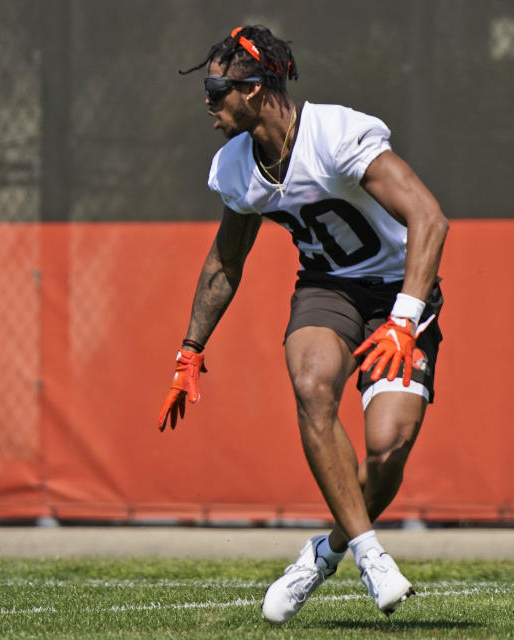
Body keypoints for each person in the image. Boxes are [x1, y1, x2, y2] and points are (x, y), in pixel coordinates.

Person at [158, 25, 449, 622]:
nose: (208, 103)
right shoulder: (238, 166)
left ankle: (327, 552)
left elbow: (429, 218)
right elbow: (226, 263)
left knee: (388, 448)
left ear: (257, 88)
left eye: (217, 89)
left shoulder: (337, 135)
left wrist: (403, 320)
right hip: (328, 290)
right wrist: (191, 348)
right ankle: (372, 557)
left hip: (400, 291)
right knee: (313, 385)